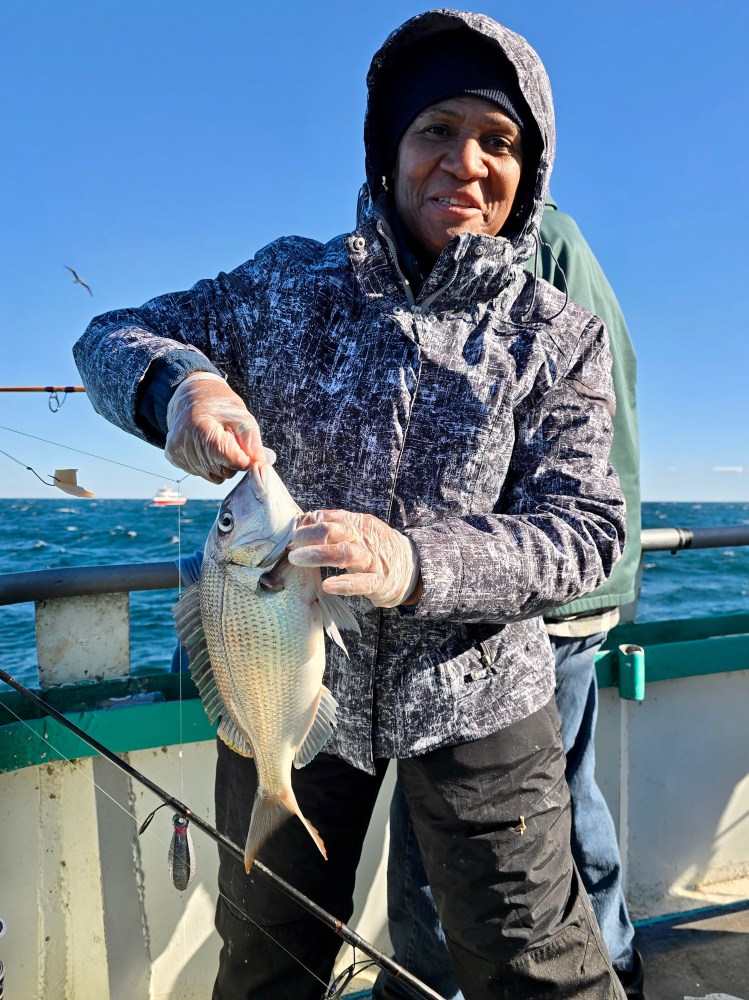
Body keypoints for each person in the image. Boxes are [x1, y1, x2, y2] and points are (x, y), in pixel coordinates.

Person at [74, 10, 628, 999]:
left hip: (479, 697)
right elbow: (110, 337)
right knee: (266, 964)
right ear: (387, 149)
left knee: (537, 969)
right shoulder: (287, 283)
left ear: (527, 170)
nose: (465, 162)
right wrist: (182, 388)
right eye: (435, 131)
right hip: (282, 691)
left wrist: (416, 563)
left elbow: (584, 532)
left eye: (497, 141)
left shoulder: (555, 336)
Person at [372, 196, 644, 1000]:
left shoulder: (524, 242)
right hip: (589, 580)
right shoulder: (576, 247)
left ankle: (426, 990)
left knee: (446, 830)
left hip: (526, 586)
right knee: (565, 794)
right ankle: (616, 962)